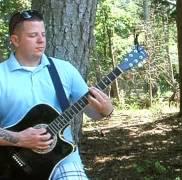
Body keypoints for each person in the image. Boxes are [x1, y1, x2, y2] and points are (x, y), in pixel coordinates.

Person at [0, 10, 113, 179]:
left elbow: (93, 112)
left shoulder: (64, 70)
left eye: (43, 34)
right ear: (15, 40)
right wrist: (19, 138)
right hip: (12, 163)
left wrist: (107, 110)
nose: (41, 40)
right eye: (32, 35)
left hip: (63, 158)